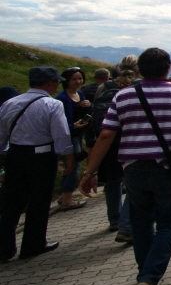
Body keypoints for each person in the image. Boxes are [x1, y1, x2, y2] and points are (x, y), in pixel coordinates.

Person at [80, 48, 171, 285]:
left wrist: (90, 172)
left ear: (139, 71)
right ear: (169, 67)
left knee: (141, 222)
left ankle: (144, 276)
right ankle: (150, 278)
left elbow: (105, 135)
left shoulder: (123, 96)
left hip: (133, 169)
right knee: (168, 224)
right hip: (167, 168)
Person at [0, 67, 73, 260]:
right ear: (48, 83)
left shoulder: (9, 103)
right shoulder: (52, 104)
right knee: (39, 201)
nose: (58, 85)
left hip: (14, 154)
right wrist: (68, 158)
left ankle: (4, 247)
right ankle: (33, 244)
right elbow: (61, 135)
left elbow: (1, 135)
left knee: (11, 202)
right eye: (56, 82)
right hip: (41, 156)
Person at [92, 58, 139, 242]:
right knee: (134, 184)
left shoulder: (103, 87)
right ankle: (127, 227)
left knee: (113, 181)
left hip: (109, 142)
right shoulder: (139, 88)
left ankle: (114, 219)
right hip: (131, 141)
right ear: (138, 70)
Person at [55, 67, 91, 210]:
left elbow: (86, 114)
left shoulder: (79, 93)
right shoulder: (62, 98)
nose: (78, 81)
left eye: (80, 78)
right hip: (69, 136)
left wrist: (88, 106)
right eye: (74, 79)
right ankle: (67, 199)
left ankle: (65, 196)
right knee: (72, 166)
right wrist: (72, 126)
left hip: (77, 135)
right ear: (67, 81)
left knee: (74, 166)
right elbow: (59, 123)